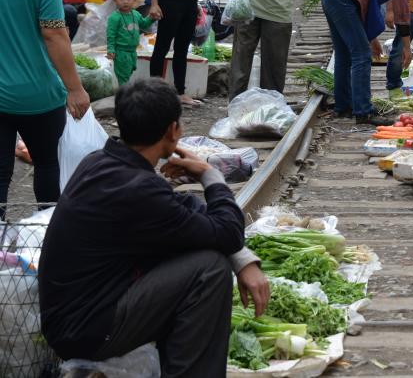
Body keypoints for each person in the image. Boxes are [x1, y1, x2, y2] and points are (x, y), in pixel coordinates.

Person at [38, 78, 269, 376]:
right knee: (208, 269)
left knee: (196, 251)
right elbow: (226, 231)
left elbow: (188, 214)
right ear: (173, 130)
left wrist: (242, 258)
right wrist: (210, 174)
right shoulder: (138, 189)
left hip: (76, 317)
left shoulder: (102, 163)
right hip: (87, 329)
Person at [0, 0, 90, 220]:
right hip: (37, 93)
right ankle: (46, 233)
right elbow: (54, 34)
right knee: (48, 164)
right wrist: (75, 88)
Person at [106, 0, 154, 85]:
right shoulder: (114, 17)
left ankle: (124, 95)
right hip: (121, 52)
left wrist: (152, 17)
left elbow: (144, 24)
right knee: (123, 78)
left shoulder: (135, 14)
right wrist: (111, 49)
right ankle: (124, 98)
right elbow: (111, 35)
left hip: (132, 52)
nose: (125, 2)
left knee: (128, 74)